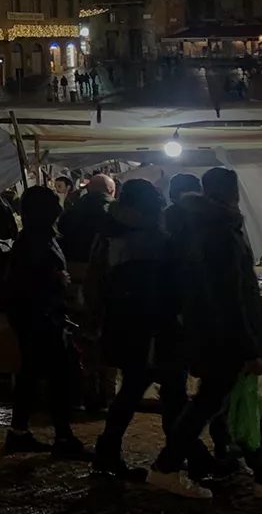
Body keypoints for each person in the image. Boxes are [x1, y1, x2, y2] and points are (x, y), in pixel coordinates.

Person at [147, 168, 262, 500]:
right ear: (232, 193)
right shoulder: (218, 232)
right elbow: (230, 295)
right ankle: (165, 468)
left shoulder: (202, 228)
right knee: (210, 404)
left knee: (231, 405)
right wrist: (249, 345)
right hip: (223, 337)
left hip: (214, 333)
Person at [88, 178, 184, 479]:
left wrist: (94, 322)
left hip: (123, 322)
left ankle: (109, 450)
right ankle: (178, 455)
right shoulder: (159, 233)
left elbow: (95, 282)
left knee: (133, 387)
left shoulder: (108, 232)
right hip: (157, 323)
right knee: (170, 390)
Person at [1, 186, 91, 459]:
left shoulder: (34, 237)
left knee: (33, 374)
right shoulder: (36, 240)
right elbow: (33, 280)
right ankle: (63, 437)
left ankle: (19, 432)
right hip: (41, 316)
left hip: (35, 315)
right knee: (57, 376)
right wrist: (57, 279)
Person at [58, 174, 114, 263]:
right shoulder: (114, 213)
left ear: (88, 189)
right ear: (111, 191)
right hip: (100, 267)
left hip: (72, 263)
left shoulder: (71, 210)